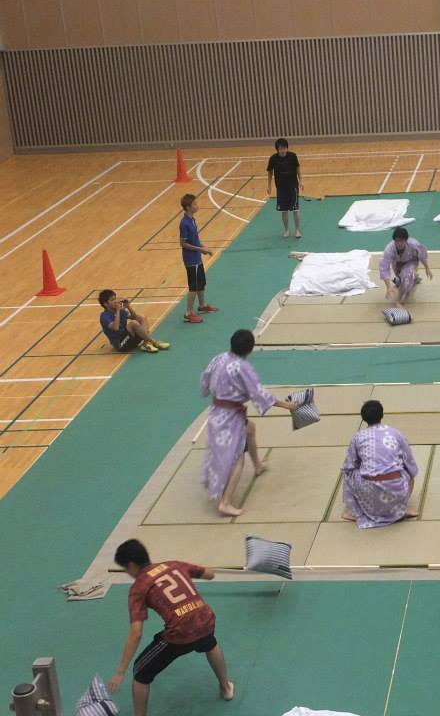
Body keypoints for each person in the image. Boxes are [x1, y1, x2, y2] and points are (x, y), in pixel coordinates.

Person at [108, 539, 234, 716]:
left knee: (140, 672)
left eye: (126, 569)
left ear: (131, 565)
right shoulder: (174, 565)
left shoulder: (138, 588)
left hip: (180, 634)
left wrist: (120, 672)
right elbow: (209, 574)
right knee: (209, 642)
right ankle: (226, 688)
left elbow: (136, 634)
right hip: (206, 620)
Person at [200, 329, 296, 516]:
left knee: (250, 429)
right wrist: (286, 405)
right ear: (250, 349)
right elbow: (258, 393)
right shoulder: (242, 367)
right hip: (228, 418)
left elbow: (205, 380)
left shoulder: (219, 358)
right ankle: (225, 502)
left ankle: (258, 465)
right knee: (237, 459)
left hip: (217, 413)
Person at [341, 400, 419, 527]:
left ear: (363, 418)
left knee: (349, 472)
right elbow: (410, 463)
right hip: (395, 486)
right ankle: (400, 510)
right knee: (409, 471)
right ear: (382, 415)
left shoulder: (357, 437)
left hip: (368, 490)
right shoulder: (395, 433)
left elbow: (349, 465)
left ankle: (354, 512)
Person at [179, 194, 217, 324]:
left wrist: (203, 247)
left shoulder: (192, 220)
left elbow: (194, 240)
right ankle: (188, 312)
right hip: (191, 260)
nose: (197, 206)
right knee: (193, 287)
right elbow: (183, 243)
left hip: (197, 257)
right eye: (194, 204)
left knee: (201, 282)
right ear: (188, 207)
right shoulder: (184, 223)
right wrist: (201, 249)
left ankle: (202, 305)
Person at [98, 290, 169, 354]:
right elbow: (115, 328)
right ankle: (154, 342)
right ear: (105, 304)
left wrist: (128, 306)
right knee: (133, 323)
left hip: (130, 338)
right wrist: (118, 310)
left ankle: (146, 343)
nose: (116, 301)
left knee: (142, 318)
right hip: (121, 344)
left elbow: (134, 317)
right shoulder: (104, 316)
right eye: (112, 300)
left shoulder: (121, 311)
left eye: (115, 299)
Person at [379, 227, 432, 306]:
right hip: (397, 263)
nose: (399, 243)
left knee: (406, 277)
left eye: (401, 241)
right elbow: (384, 267)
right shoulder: (389, 249)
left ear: (406, 240)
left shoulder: (414, 244)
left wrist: (427, 268)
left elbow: (422, 255)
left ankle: (398, 301)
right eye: (397, 241)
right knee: (402, 280)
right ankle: (414, 278)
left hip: (411, 261)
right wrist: (388, 287)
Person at [266, 138, 304, 239]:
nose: (283, 150)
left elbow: (298, 168)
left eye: (284, 148)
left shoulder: (293, 156)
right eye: (281, 149)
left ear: (287, 148)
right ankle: (286, 230)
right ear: (277, 149)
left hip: (293, 187)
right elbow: (270, 172)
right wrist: (269, 185)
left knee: (296, 209)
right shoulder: (273, 159)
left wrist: (301, 181)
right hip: (281, 188)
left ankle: (297, 230)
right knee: (284, 210)